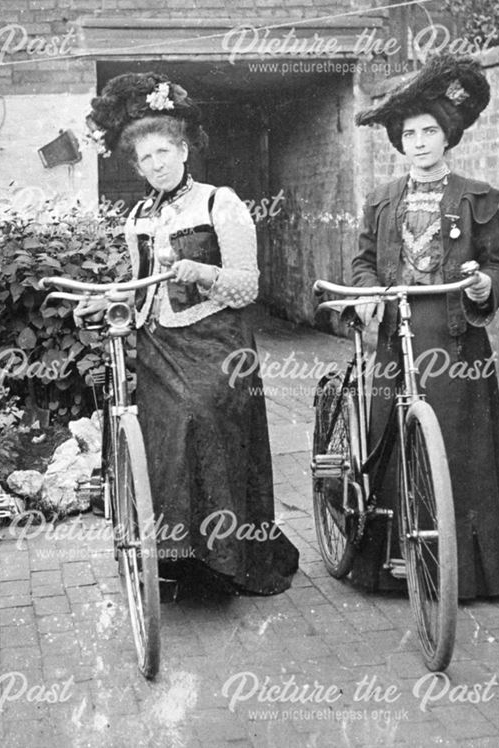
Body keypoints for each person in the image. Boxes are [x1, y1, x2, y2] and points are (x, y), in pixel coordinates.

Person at [82, 73, 299, 595]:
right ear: (135, 165)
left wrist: (203, 273)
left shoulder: (220, 202)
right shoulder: (136, 215)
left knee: (201, 415)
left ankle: (227, 560)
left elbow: (248, 286)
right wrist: (106, 300)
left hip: (218, 346)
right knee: (165, 441)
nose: (156, 164)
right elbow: (137, 288)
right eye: (145, 158)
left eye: (164, 151)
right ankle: (181, 564)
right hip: (158, 347)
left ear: (183, 149)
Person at [349, 54, 499, 598]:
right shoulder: (381, 200)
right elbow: (363, 261)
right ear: (398, 143)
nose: (420, 142)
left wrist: (483, 287)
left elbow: (496, 263)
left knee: (458, 448)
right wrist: (366, 293)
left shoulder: (475, 197)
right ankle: (392, 564)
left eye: (430, 132)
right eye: (410, 134)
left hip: (455, 339)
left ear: (447, 138)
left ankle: (467, 571)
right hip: (394, 336)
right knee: (390, 440)